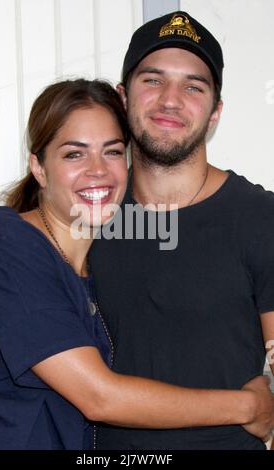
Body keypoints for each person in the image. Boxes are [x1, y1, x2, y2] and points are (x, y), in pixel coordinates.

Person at [0, 77, 272, 450]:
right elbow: (100, 397)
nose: (98, 170)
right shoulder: (9, 244)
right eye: (74, 154)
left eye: (113, 152)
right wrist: (248, 406)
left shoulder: (107, 249)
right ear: (38, 167)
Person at [86, 11, 274, 450]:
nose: (171, 100)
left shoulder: (260, 217)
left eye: (193, 86)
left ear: (215, 112)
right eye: (153, 80)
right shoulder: (87, 211)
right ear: (123, 97)